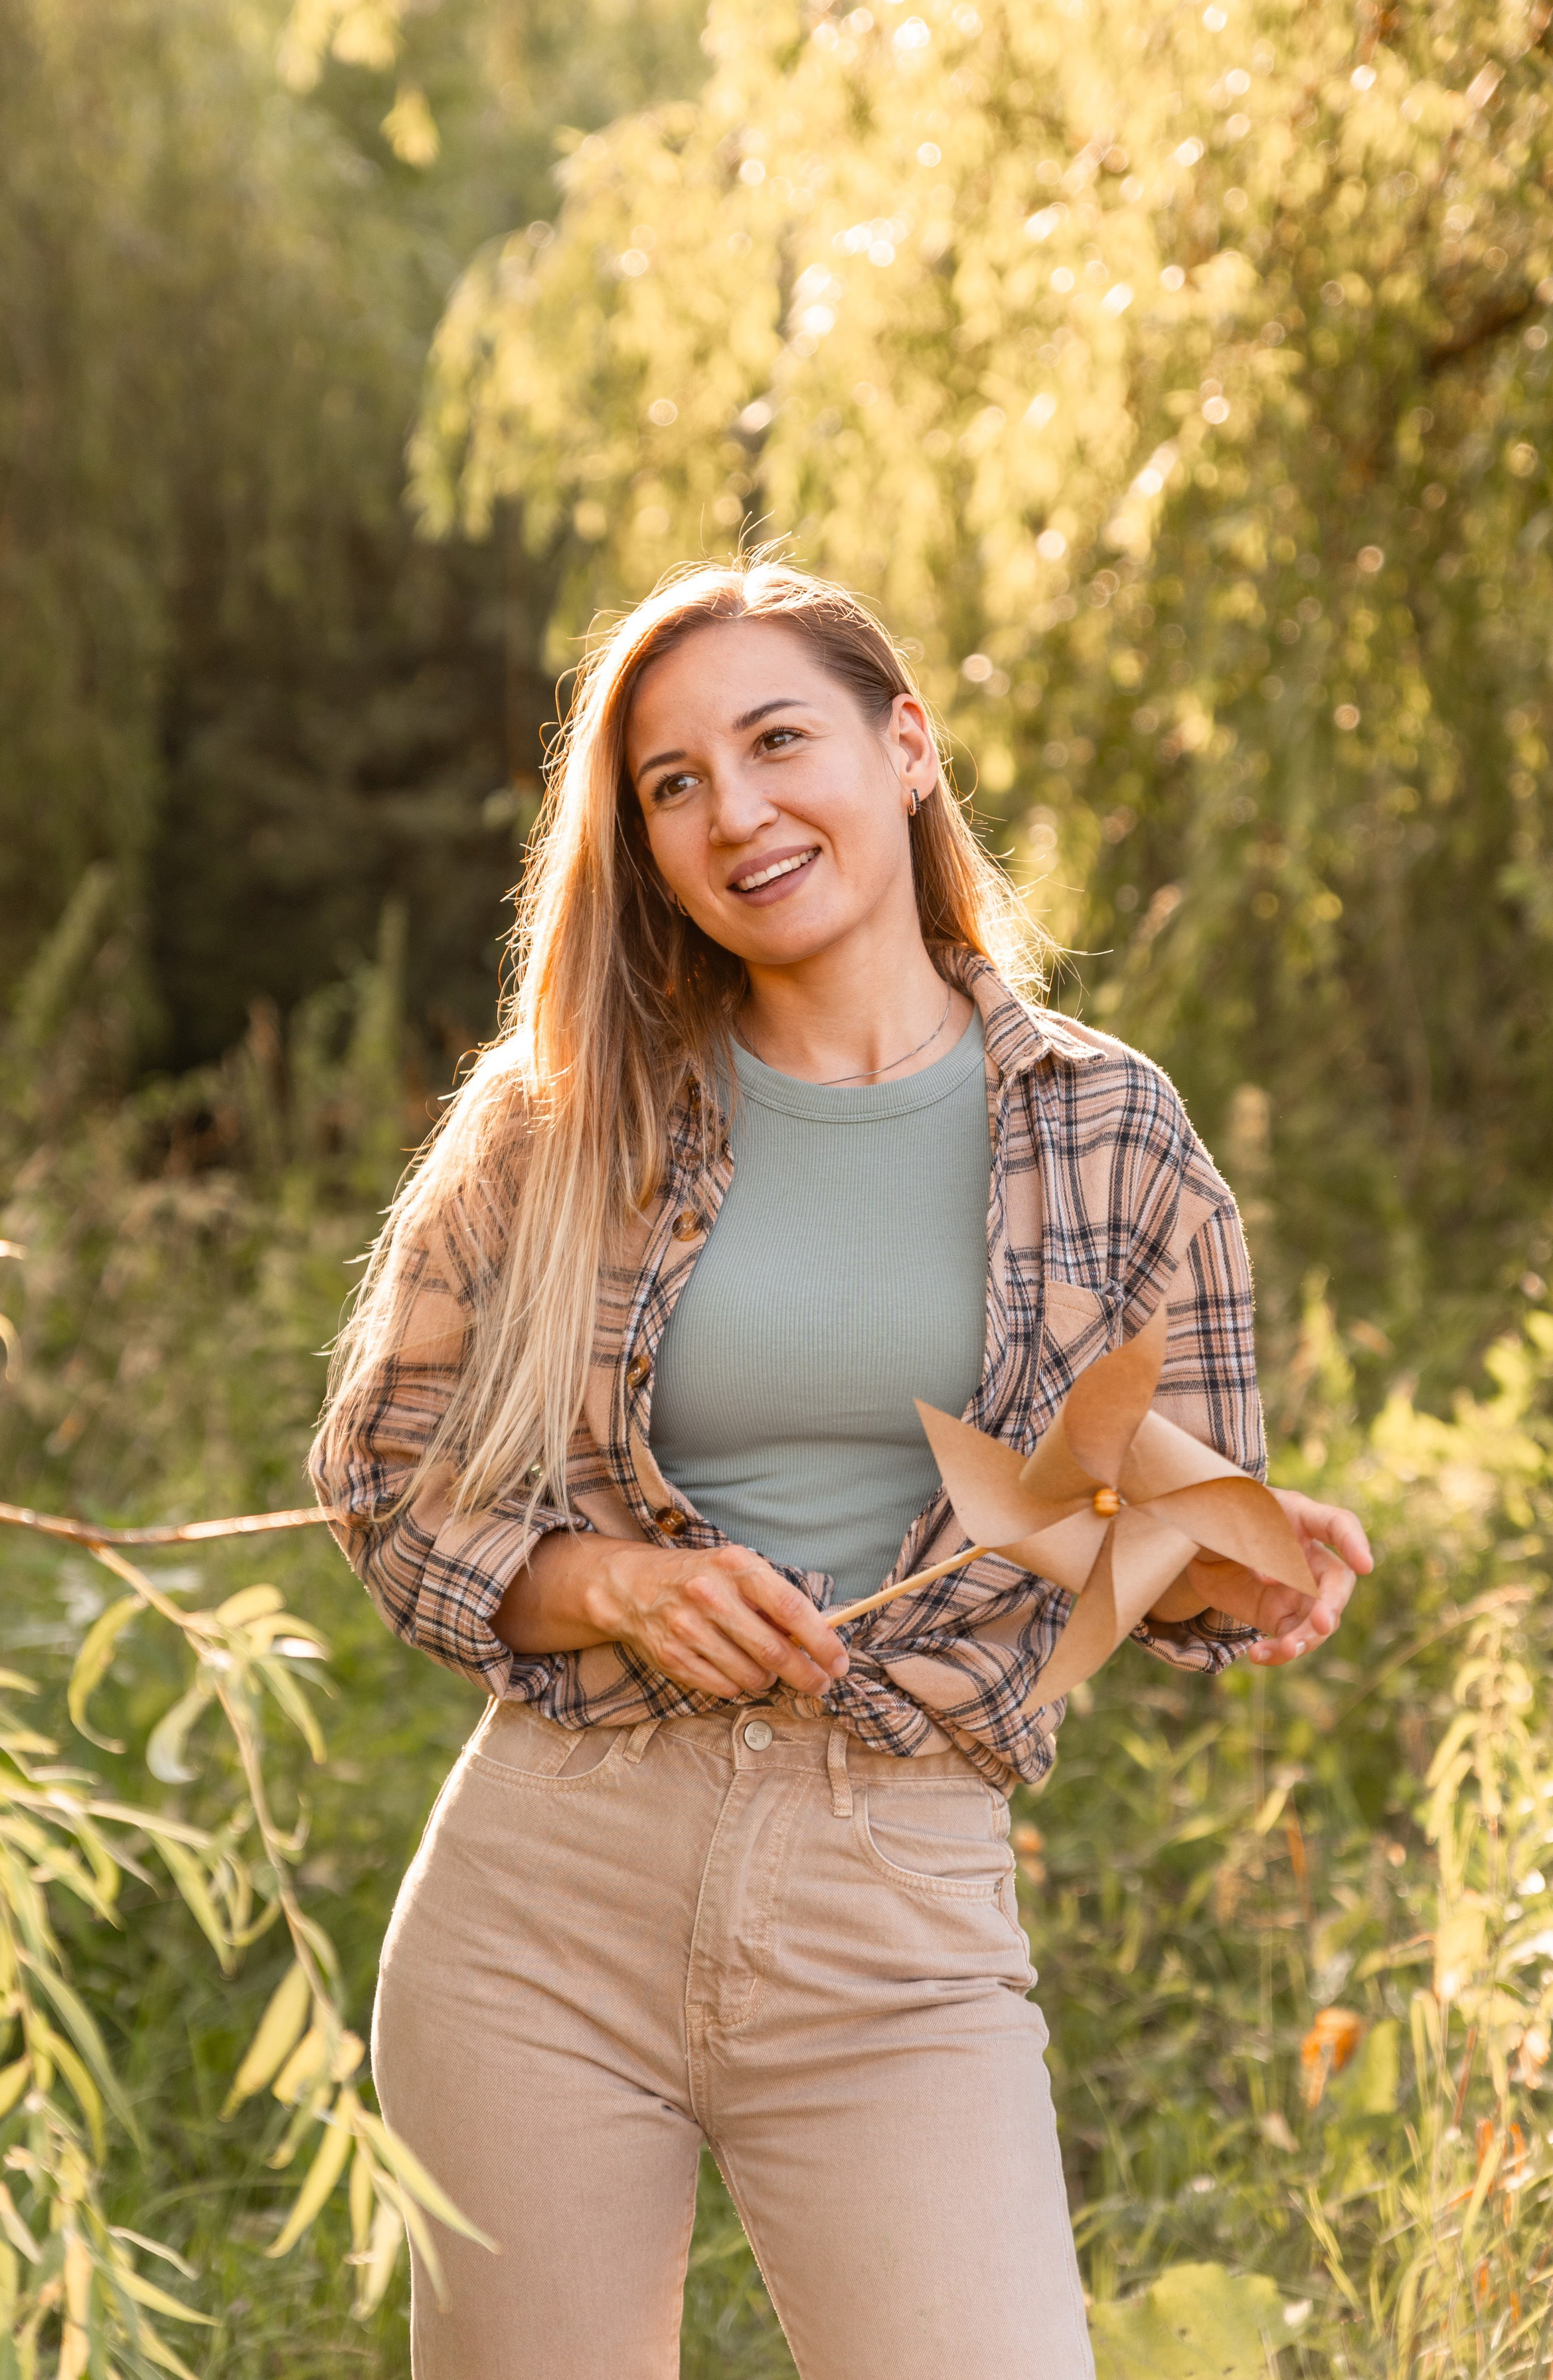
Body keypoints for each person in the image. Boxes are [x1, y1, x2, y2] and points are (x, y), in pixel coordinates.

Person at [310, 560, 1372, 2380]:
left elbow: (1156, 1540)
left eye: (777, 740)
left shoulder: (1116, 1133)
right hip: (546, 1900)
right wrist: (608, 1588)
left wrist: (1243, 1556)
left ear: (904, 749)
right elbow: (381, 1473)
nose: (737, 811)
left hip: (903, 1917)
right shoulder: (566, 1116)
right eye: (673, 784)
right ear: (643, 843)